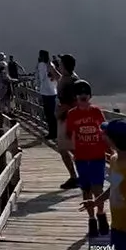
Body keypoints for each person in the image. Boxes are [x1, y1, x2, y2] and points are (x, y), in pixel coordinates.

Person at [65, 79, 110, 238]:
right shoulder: (72, 114)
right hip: (82, 157)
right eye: (79, 93)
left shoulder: (97, 112)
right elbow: (69, 134)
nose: (83, 96)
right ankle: (91, 220)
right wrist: (73, 151)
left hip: (98, 156)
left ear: (90, 95)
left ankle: (101, 214)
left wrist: (109, 150)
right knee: (86, 189)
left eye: (86, 93)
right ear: (75, 97)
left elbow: (105, 132)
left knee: (98, 188)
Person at [84, 119, 126, 249]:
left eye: (105, 133)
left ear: (113, 140)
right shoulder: (114, 159)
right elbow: (114, 186)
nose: (102, 135)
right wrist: (96, 201)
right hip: (117, 225)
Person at [55, 54, 84, 190]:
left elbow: (72, 102)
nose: (58, 65)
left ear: (65, 65)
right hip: (64, 117)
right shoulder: (66, 78)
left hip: (68, 118)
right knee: (69, 149)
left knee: (68, 149)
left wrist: (59, 112)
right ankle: (78, 175)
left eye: (60, 63)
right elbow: (57, 77)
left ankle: (76, 177)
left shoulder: (70, 81)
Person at [36, 50, 59, 141]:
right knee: (53, 114)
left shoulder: (41, 65)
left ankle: (52, 132)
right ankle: (55, 132)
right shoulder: (52, 65)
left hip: (46, 91)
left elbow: (41, 78)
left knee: (48, 114)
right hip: (53, 91)